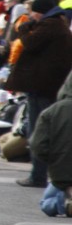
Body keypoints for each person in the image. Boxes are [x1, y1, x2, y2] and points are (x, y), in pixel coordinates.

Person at [5, 0, 72, 188]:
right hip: (46, 85)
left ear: (39, 11)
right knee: (40, 128)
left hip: (42, 86)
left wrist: (25, 28)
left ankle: (38, 175)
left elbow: (30, 43)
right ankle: (40, 174)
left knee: (39, 130)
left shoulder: (50, 25)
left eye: (33, 11)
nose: (30, 15)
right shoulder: (57, 24)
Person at [30, 69, 72, 217]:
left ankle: (65, 201)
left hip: (62, 173)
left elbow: (38, 146)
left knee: (46, 204)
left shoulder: (51, 112)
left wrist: (54, 161)